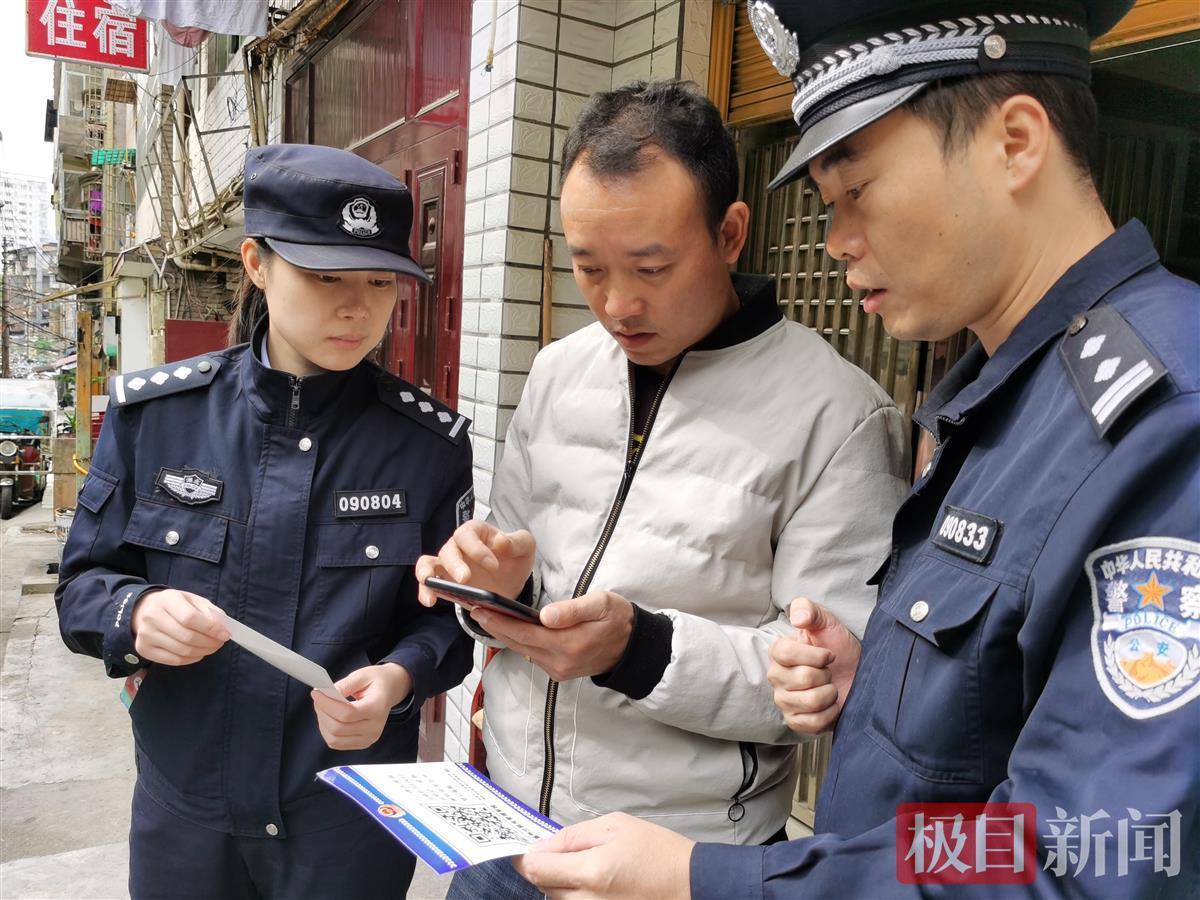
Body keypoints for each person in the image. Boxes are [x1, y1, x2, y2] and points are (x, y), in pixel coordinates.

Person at [513, 2, 1200, 897]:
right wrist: (873, 684)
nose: (835, 242)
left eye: (856, 193)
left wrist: (715, 880)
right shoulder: (1009, 398)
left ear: (1016, 142)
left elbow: (1084, 854)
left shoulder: (1163, 421)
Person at [415, 79, 911, 898]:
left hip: (676, 862)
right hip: (504, 830)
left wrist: (638, 649)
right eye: (588, 267)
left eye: (651, 267)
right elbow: (520, 565)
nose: (617, 304)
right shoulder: (558, 372)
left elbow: (821, 684)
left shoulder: (840, 414)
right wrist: (495, 586)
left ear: (730, 233)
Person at [56, 144, 475, 899]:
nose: (358, 308)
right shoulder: (157, 418)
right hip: (187, 823)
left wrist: (398, 679)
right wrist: (137, 612)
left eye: (381, 281)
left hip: (347, 824)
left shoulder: (427, 447)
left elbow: (448, 622)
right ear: (256, 263)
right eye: (326, 277)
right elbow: (83, 586)